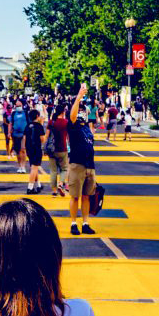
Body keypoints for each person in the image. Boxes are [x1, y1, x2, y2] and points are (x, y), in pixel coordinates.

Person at [67, 84, 97, 236]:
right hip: (77, 164)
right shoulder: (73, 126)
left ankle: (85, 222)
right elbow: (72, 116)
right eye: (81, 110)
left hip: (89, 166)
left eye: (84, 110)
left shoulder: (86, 128)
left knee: (87, 196)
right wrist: (78, 97)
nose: (83, 112)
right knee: (75, 195)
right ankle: (73, 222)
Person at [45, 103, 69, 198]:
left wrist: (44, 147)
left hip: (52, 149)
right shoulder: (65, 122)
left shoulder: (51, 122)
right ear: (63, 112)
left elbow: (47, 136)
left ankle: (54, 191)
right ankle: (60, 183)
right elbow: (68, 136)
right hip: (62, 148)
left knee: (53, 171)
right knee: (64, 169)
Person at [23, 109, 45, 195]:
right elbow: (42, 139)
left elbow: (24, 138)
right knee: (34, 168)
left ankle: (38, 185)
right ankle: (30, 187)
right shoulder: (39, 126)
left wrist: (25, 147)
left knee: (33, 167)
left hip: (29, 148)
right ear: (37, 116)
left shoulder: (27, 126)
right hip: (36, 148)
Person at [10, 100, 28, 174]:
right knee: (17, 151)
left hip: (24, 134)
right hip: (15, 134)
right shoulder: (13, 114)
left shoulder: (26, 113)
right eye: (17, 106)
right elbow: (11, 123)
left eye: (19, 106)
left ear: (23, 105)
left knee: (23, 150)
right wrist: (9, 132)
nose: (18, 107)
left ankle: (23, 166)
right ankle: (20, 166)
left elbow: (29, 123)